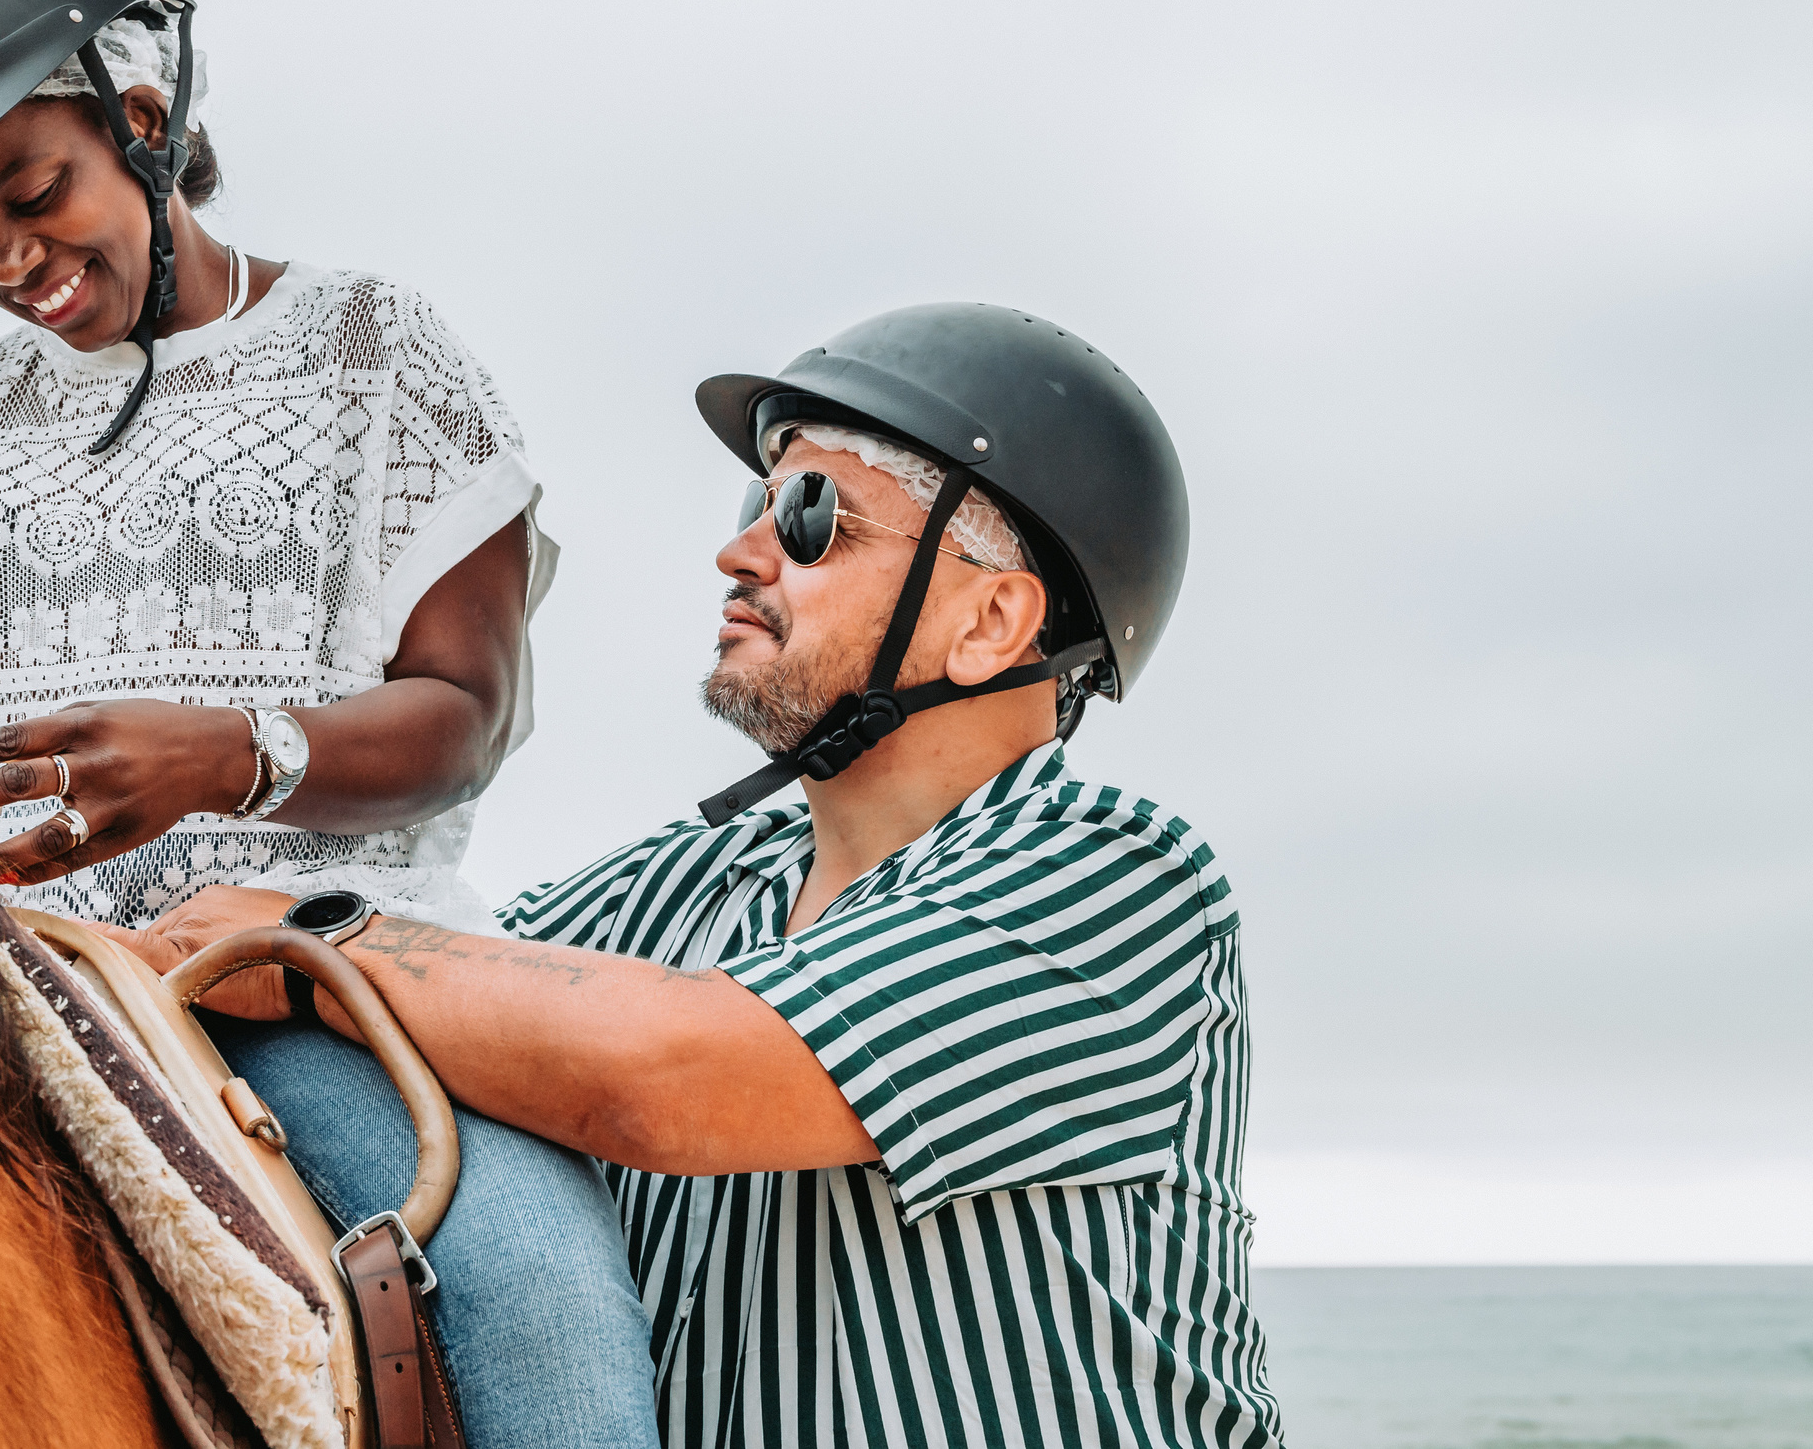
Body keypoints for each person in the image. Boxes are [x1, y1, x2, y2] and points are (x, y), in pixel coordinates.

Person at [0, 0, 659, 1445]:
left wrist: (232, 752)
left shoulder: (372, 349)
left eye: (31, 192)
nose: (6, 264)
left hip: (297, 981)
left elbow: (464, 711)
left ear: (138, 110)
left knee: (537, 1299)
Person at [114, 303, 1291, 1449]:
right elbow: (459, 990)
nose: (739, 551)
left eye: (813, 514)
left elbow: (661, 1078)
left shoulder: (1112, 877)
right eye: (755, 502)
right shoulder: (675, 890)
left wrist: (313, 942)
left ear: (991, 621)